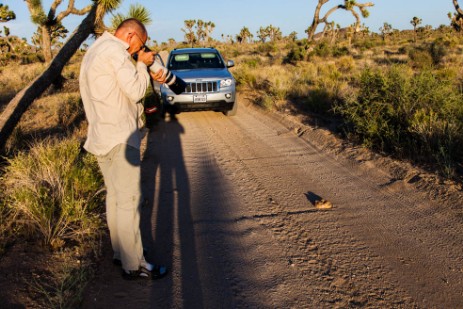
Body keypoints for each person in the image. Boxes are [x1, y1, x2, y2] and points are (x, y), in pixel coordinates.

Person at [79, 18, 167, 280]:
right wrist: (142, 65)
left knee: (115, 198)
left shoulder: (95, 49)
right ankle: (135, 263)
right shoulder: (116, 53)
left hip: (100, 135)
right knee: (129, 201)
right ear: (130, 35)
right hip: (119, 136)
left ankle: (121, 253)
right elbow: (136, 90)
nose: (138, 49)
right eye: (139, 43)